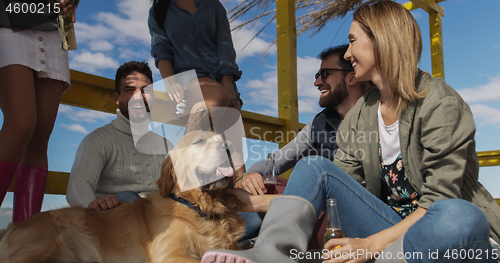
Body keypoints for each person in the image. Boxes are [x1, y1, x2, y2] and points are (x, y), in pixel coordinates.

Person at [200, 1, 500, 263]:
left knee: (459, 217)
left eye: (353, 41)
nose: (348, 52)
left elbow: (438, 202)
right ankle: (269, 252)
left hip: (437, 236)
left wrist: (368, 246)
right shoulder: (363, 113)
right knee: (314, 166)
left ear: (380, 41)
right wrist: (258, 202)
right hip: (389, 232)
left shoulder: (439, 102)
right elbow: (333, 182)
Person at [239, 44, 365, 196]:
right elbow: (277, 161)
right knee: (255, 190)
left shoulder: (378, 117)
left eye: (325, 74)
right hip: (322, 203)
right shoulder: (320, 123)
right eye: (316, 76)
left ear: (352, 78)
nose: (317, 83)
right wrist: (250, 176)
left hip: (359, 207)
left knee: (310, 166)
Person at [148, 0, 246, 182]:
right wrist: (170, 82)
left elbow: (225, 44)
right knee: (219, 97)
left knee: (236, 160)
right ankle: (182, 166)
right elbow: (161, 49)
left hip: (223, 77)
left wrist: (227, 81)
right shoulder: (158, 11)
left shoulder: (213, 5)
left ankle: (234, 196)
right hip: (188, 78)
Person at [0, 0, 78, 223]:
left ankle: (25, 241)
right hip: (9, 18)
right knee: (20, 124)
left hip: (54, 28)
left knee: (40, 137)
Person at [66, 61, 173, 211]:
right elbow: (77, 186)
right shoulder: (100, 139)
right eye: (130, 90)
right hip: (117, 222)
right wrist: (93, 206)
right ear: (117, 98)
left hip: (158, 220)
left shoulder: (166, 145)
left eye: (145, 91)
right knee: (127, 197)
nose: (138, 97)